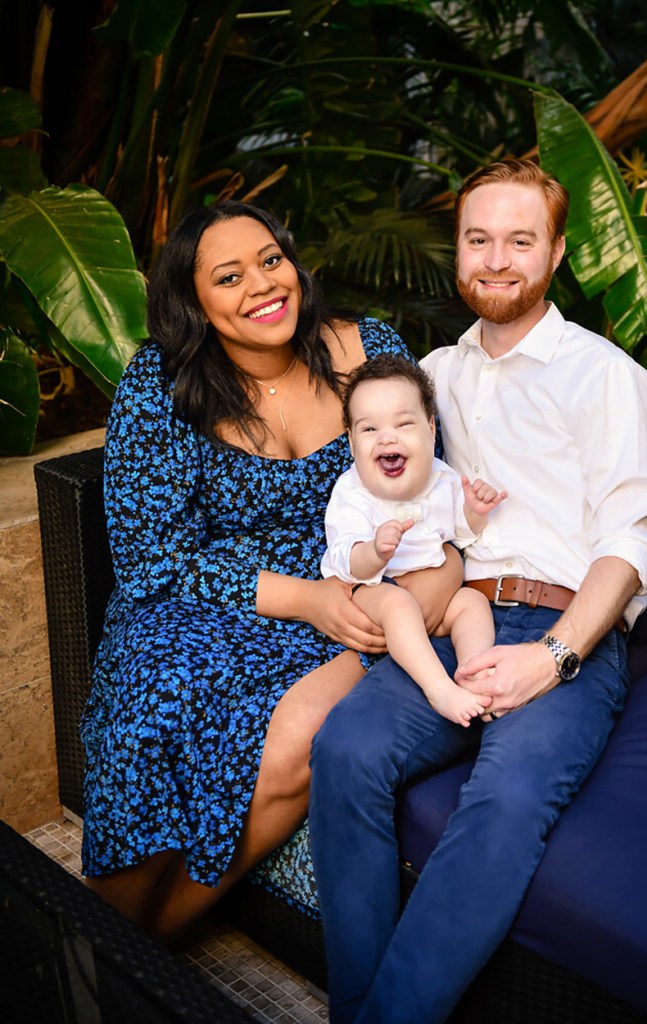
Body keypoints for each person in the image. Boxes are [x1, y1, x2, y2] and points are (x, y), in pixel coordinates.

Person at [309, 157, 647, 1023]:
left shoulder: (607, 378)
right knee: (345, 750)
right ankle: (357, 1007)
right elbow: (380, 462)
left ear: (554, 253)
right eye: (479, 239)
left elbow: (627, 543)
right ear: (457, 249)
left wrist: (551, 658)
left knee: (505, 798)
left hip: (565, 623)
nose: (496, 259)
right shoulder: (435, 376)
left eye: (520, 240)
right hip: (454, 617)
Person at [79, 200, 463, 943]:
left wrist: (389, 592)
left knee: (292, 748)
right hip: (198, 599)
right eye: (228, 276)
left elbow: (428, 489)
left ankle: (137, 953)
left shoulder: (368, 351)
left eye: (270, 260)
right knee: (155, 714)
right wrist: (306, 600)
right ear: (195, 302)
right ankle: (101, 950)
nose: (261, 285)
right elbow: (150, 556)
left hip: (347, 590)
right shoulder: (160, 383)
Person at [321, 354, 507, 726]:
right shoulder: (353, 493)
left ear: (431, 429)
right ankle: (438, 688)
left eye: (404, 424)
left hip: (438, 596)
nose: (387, 436)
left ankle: (475, 672)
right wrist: (373, 551)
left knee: (471, 602)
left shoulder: (444, 479)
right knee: (398, 605)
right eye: (369, 430)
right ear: (352, 443)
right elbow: (345, 559)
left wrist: (474, 511)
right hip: (374, 590)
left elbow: (462, 532)